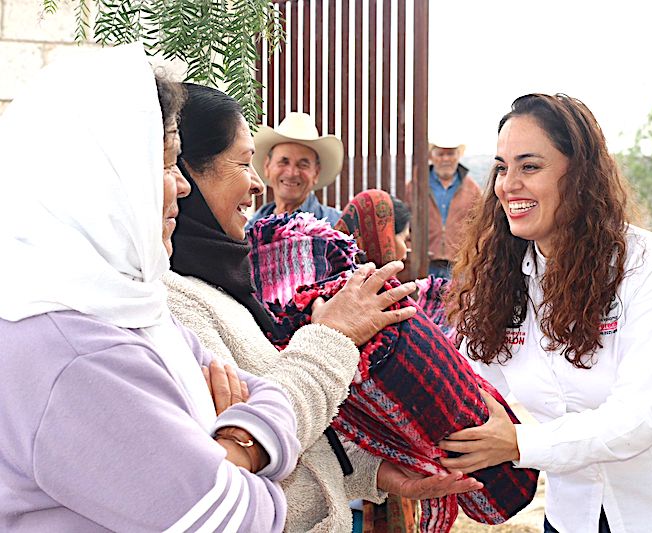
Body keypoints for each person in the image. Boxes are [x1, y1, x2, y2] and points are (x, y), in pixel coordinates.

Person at [0, 43, 301, 531]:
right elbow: (240, 520)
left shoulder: (130, 309)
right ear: (98, 180)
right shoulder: (71, 354)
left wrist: (234, 445)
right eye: (163, 164)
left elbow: (267, 393)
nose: (180, 185)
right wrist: (239, 452)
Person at [164, 84, 480, 532]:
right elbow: (239, 453)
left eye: (303, 164)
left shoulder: (243, 263)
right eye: (245, 162)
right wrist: (331, 337)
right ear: (187, 173)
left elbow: (271, 421)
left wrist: (373, 471)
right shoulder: (176, 300)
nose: (260, 180)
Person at [439, 93, 652, 532]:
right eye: (502, 167)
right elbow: (460, 382)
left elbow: (637, 419)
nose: (508, 184)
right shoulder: (500, 280)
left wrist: (517, 443)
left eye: (530, 167)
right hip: (576, 517)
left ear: (581, 176)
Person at [334, 190, 417, 532]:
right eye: (403, 237)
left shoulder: (334, 298)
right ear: (383, 237)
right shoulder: (385, 311)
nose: (407, 248)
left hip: (343, 476)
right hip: (366, 479)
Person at [247, 112, 343, 228]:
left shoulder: (338, 227)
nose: (292, 173)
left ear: (316, 173)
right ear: (267, 166)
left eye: (303, 165)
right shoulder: (251, 229)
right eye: (284, 162)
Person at [426, 137, 481, 279]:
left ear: (458, 156)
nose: (445, 159)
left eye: (450, 154)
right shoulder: (416, 185)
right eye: (440, 154)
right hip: (424, 263)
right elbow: (405, 223)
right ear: (431, 156)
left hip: (459, 265)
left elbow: (480, 226)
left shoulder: (472, 189)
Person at [334, 189, 412, 266]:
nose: (405, 256)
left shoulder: (329, 267)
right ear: (385, 236)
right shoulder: (344, 277)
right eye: (404, 240)